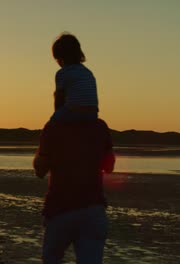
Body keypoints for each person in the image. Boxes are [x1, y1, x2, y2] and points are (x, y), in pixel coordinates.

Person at [33, 118, 115, 264]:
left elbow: (40, 170)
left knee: (51, 259)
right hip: (93, 209)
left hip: (60, 210)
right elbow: (109, 166)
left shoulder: (54, 126)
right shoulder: (100, 126)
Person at [51, 33, 99, 123]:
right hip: (92, 114)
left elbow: (59, 99)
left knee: (52, 123)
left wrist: (57, 115)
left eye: (57, 59)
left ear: (61, 58)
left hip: (74, 113)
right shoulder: (88, 72)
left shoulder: (62, 73)